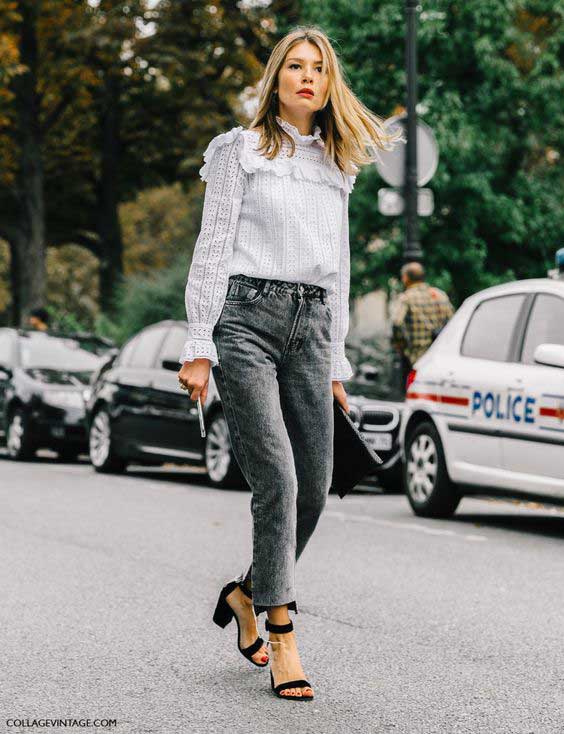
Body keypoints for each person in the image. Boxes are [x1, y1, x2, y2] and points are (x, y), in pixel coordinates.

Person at [177, 26, 402, 701]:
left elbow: (340, 267)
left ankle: (247, 592)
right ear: (275, 79)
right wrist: (198, 344)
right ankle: (282, 633)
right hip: (245, 321)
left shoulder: (338, 165)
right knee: (276, 477)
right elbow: (213, 247)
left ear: (330, 85)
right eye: (295, 67)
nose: (308, 78)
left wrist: (334, 361)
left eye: (320, 70)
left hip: (313, 325)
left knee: (317, 481)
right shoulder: (239, 151)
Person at [391, 261, 454, 390]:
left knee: (413, 391)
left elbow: (397, 323)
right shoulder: (440, 295)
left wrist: (400, 344)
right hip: (438, 355)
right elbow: (453, 322)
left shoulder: (406, 298)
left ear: (406, 278)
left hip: (415, 356)